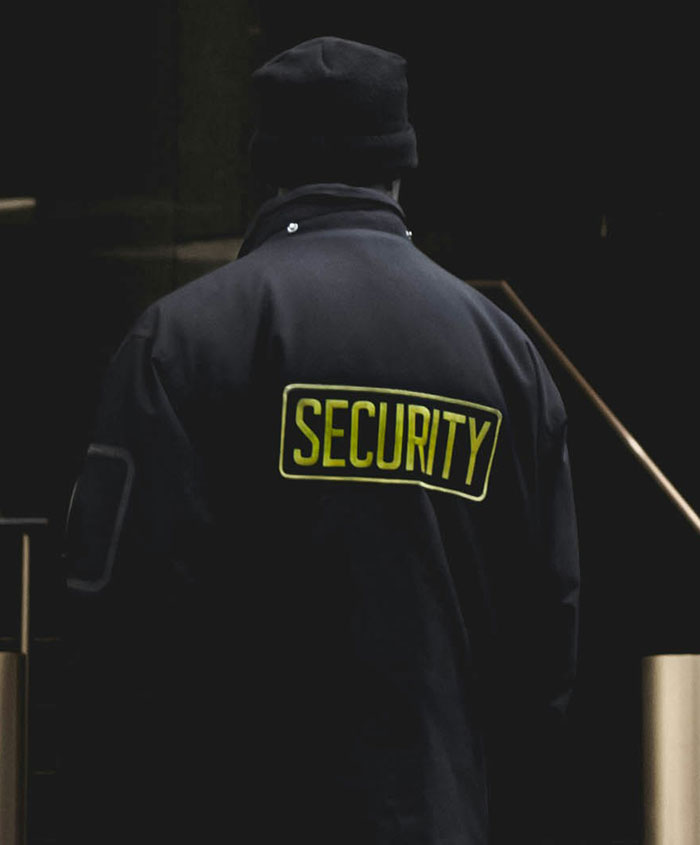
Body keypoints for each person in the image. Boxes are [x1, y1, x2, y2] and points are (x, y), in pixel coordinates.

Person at [63, 36, 579, 844]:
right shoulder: (506, 358)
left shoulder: (181, 341)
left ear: (266, 166)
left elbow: (119, 626)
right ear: (400, 164)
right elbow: (545, 653)